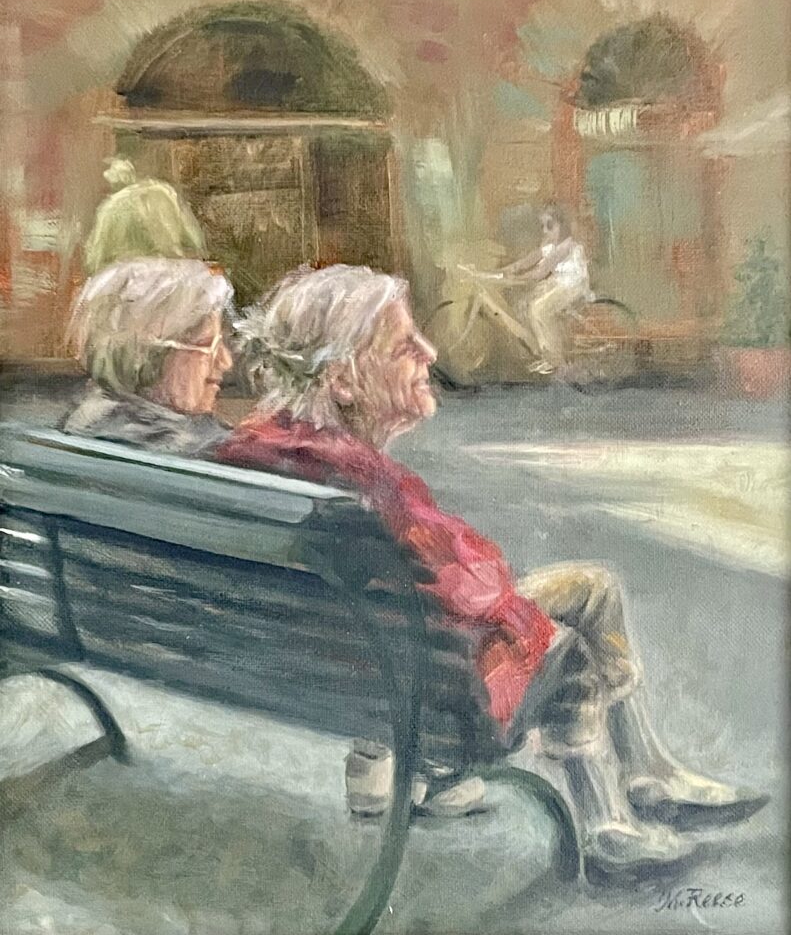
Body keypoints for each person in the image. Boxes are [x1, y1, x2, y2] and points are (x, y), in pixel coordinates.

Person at [218, 264, 767, 876]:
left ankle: (646, 773)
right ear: (343, 380)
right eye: (403, 346)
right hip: (436, 685)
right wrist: (511, 603)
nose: (429, 352)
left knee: (591, 586)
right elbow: (474, 590)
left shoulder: (254, 452)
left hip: (338, 668)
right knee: (569, 645)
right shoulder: (371, 491)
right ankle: (608, 823)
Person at [62, 257, 234, 456]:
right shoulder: (178, 448)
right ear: (145, 354)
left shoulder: (93, 422)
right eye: (205, 344)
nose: (225, 362)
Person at [482, 203, 592, 375]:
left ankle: (555, 359)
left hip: (572, 285)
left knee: (539, 310)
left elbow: (540, 272)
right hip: (559, 282)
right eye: (543, 226)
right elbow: (528, 261)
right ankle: (545, 354)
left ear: (562, 225)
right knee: (526, 304)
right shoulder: (551, 245)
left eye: (550, 226)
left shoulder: (566, 246)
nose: (545, 231)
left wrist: (514, 278)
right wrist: (503, 271)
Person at [83, 159, 208, 275]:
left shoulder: (109, 208)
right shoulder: (164, 192)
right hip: (172, 271)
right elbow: (194, 241)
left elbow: (94, 259)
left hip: (122, 275)